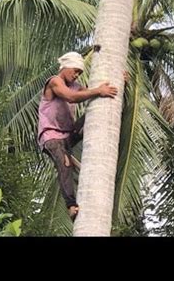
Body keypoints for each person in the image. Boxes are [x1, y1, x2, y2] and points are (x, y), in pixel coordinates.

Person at [37, 52, 118, 221]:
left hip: (68, 134)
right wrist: (98, 91)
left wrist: (118, 81)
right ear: (65, 67)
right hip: (51, 137)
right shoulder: (54, 82)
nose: (76, 75)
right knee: (65, 164)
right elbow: (71, 98)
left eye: (79, 73)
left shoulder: (76, 85)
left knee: (94, 112)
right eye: (74, 71)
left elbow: (91, 93)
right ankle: (71, 205)